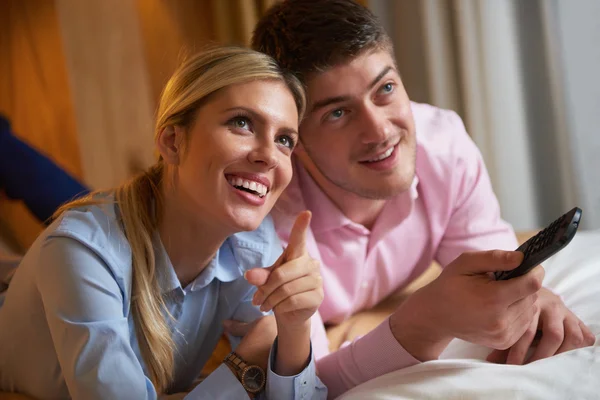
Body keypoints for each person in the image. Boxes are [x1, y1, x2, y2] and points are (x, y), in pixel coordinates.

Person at [249, 0, 596, 397]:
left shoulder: (443, 145)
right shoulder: (264, 214)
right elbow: (300, 387)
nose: (379, 131)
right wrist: (420, 325)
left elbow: (490, 271)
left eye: (385, 89)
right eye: (338, 114)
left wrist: (527, 299)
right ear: (294, 137)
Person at [0, 46, 328, 399]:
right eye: (242, 122)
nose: (268, 155)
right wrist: (243, 366)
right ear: (173, 141)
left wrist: (295, 329)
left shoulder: (254, 248)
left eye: (284, 140)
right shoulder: (81, 251)